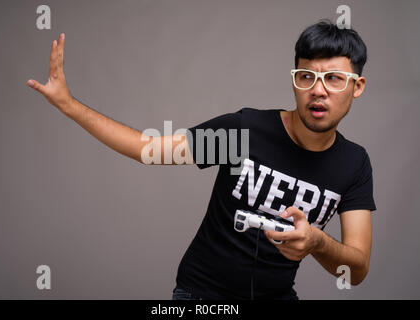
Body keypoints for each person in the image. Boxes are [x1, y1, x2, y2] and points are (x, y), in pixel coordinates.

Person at [26, 19, 376, 300]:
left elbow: (357, 269)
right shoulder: (245, 130)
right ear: (295, 81)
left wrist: (318, 242)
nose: (318, 90)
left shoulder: (354, 164)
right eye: (306, 77)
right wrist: (68, 104)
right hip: (202, 295)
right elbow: (145, 149)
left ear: (356, 86)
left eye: (333, 79)